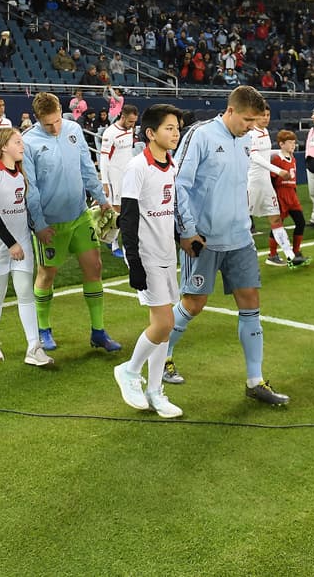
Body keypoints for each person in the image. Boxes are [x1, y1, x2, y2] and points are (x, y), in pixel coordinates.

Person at [166, 85, 288, 404]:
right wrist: (187, 230)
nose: (252, 127)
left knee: (250, 303)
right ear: (231, 110)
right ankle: (161, 357)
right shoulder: (201, 135)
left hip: (240, 238)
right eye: (248, 119)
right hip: (204, 239)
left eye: (256, 121)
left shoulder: (247, 138)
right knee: (193, 304)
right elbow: (179, 184)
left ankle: (255, 380)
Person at [21, 92, 119, 352]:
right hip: (51, 224)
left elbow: (87, 168)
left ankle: (98, 331)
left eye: (56, 121)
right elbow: (30, 189)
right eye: (47, 124)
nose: (54, 128)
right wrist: (39, 225)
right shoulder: (27, 142)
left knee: (94, 267)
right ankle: (44, 330)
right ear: (37, 119)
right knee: (47, 274)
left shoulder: (73, 129)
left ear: (61, 111)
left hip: (79, 215)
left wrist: (102, 199)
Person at [112, 103, 186, 418]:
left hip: (167, 254)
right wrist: (135, 262)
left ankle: (155, 392)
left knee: (164, 330)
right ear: (151, 133)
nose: (175, 133)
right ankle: (129, 370)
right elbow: (127, 219)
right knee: (164, 322)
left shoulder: (171, 166)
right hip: (145, 255)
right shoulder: (136, 167)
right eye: (169, 128)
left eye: (177, 128)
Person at [0, 127, 52, 367]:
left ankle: (34, 347)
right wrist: (10, 243)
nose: (22, 146)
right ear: (3, 147)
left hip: (21, 245)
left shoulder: (20, 175)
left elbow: (23, 211)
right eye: (17, 142)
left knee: (25, 292)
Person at [249, 106, 306, 268]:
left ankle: (288, 255)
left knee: (275, 219)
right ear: (254, 116)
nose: (266, 118)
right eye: (262, 115)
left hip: (266, 183)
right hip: (252, 183)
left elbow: (265, 154)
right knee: (243, 222)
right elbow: (254, 157)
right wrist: (278, 170)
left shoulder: (265, 132)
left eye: (268, 115)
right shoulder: (251, 133)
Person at [97, 103, 138, 257]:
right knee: (117, 209)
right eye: (130, 121)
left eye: (134, 122)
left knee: (129, 207)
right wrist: (105, 182)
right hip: (114, 175)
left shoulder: (129, 130)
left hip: (127, 174)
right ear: (123, 117)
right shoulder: (110, 133)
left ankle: (113, 238)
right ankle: (112, 242)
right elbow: (104, 158)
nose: (132, 125)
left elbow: (127, 153)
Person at [267, 130, 307, 267]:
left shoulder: (293, 158)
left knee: (300, 222)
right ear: (281, 144)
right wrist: (274, 197)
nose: (293, 145)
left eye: (294, 143)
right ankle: (272, 254)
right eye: (290, 143)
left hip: (291, 194)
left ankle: (296, 252)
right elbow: (271, 179)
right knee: (278, 225)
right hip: (281, 194)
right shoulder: (277, 159)